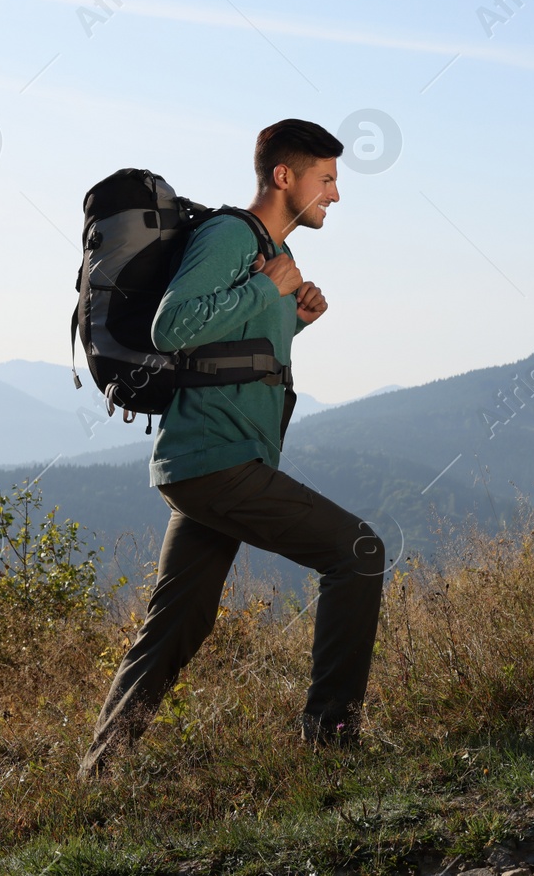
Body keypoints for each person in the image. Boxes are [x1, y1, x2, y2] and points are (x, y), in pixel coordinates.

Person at [78, 119, 384, 779]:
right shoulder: (230, 236)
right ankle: (331, 746)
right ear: (285, 177)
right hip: (214, 461)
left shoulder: (268, 254)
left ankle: (98, 777)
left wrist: (292, 321)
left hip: (214, 461)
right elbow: (171, 326)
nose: (334, 195)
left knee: (175, 624)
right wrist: (265, 290)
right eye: (326, 179)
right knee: (358, 552)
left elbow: (233, 355)